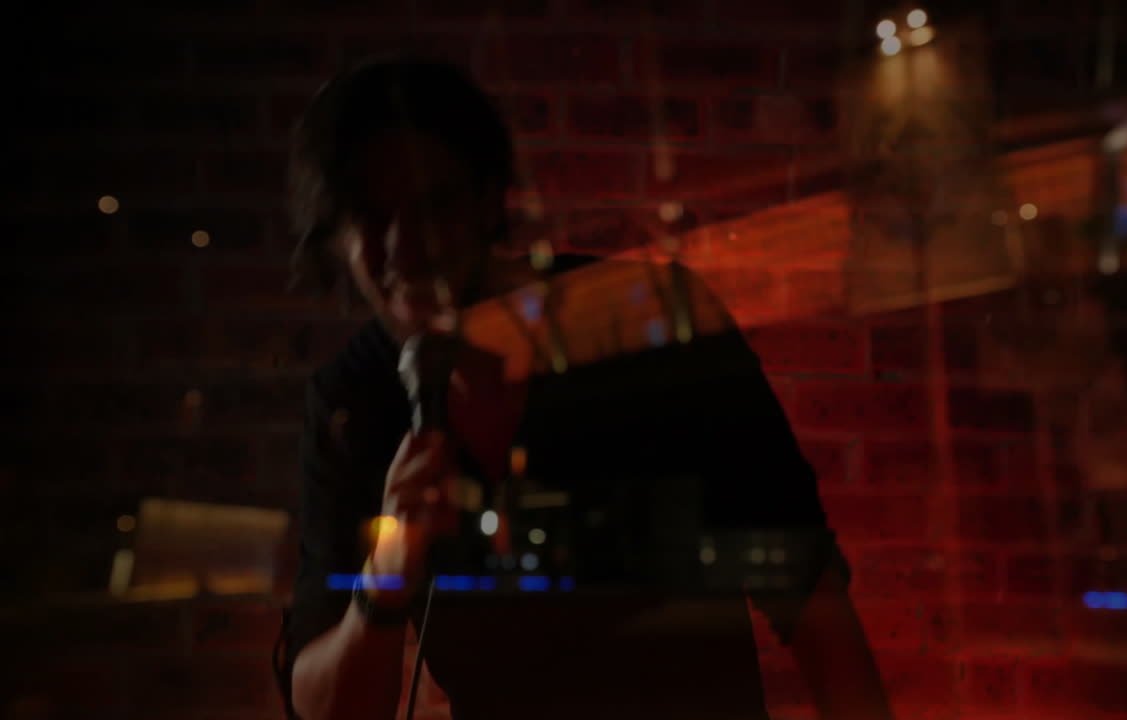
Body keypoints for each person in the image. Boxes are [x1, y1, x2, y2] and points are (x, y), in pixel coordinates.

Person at [273, 52, 893, 720]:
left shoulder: (654, 325)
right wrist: (384, 579)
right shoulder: (355, 400)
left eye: (434, 205)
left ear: (487, 200)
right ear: (335, 235)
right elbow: (322, 704)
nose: (404, 246)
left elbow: (810, 598)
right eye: (372, 216)